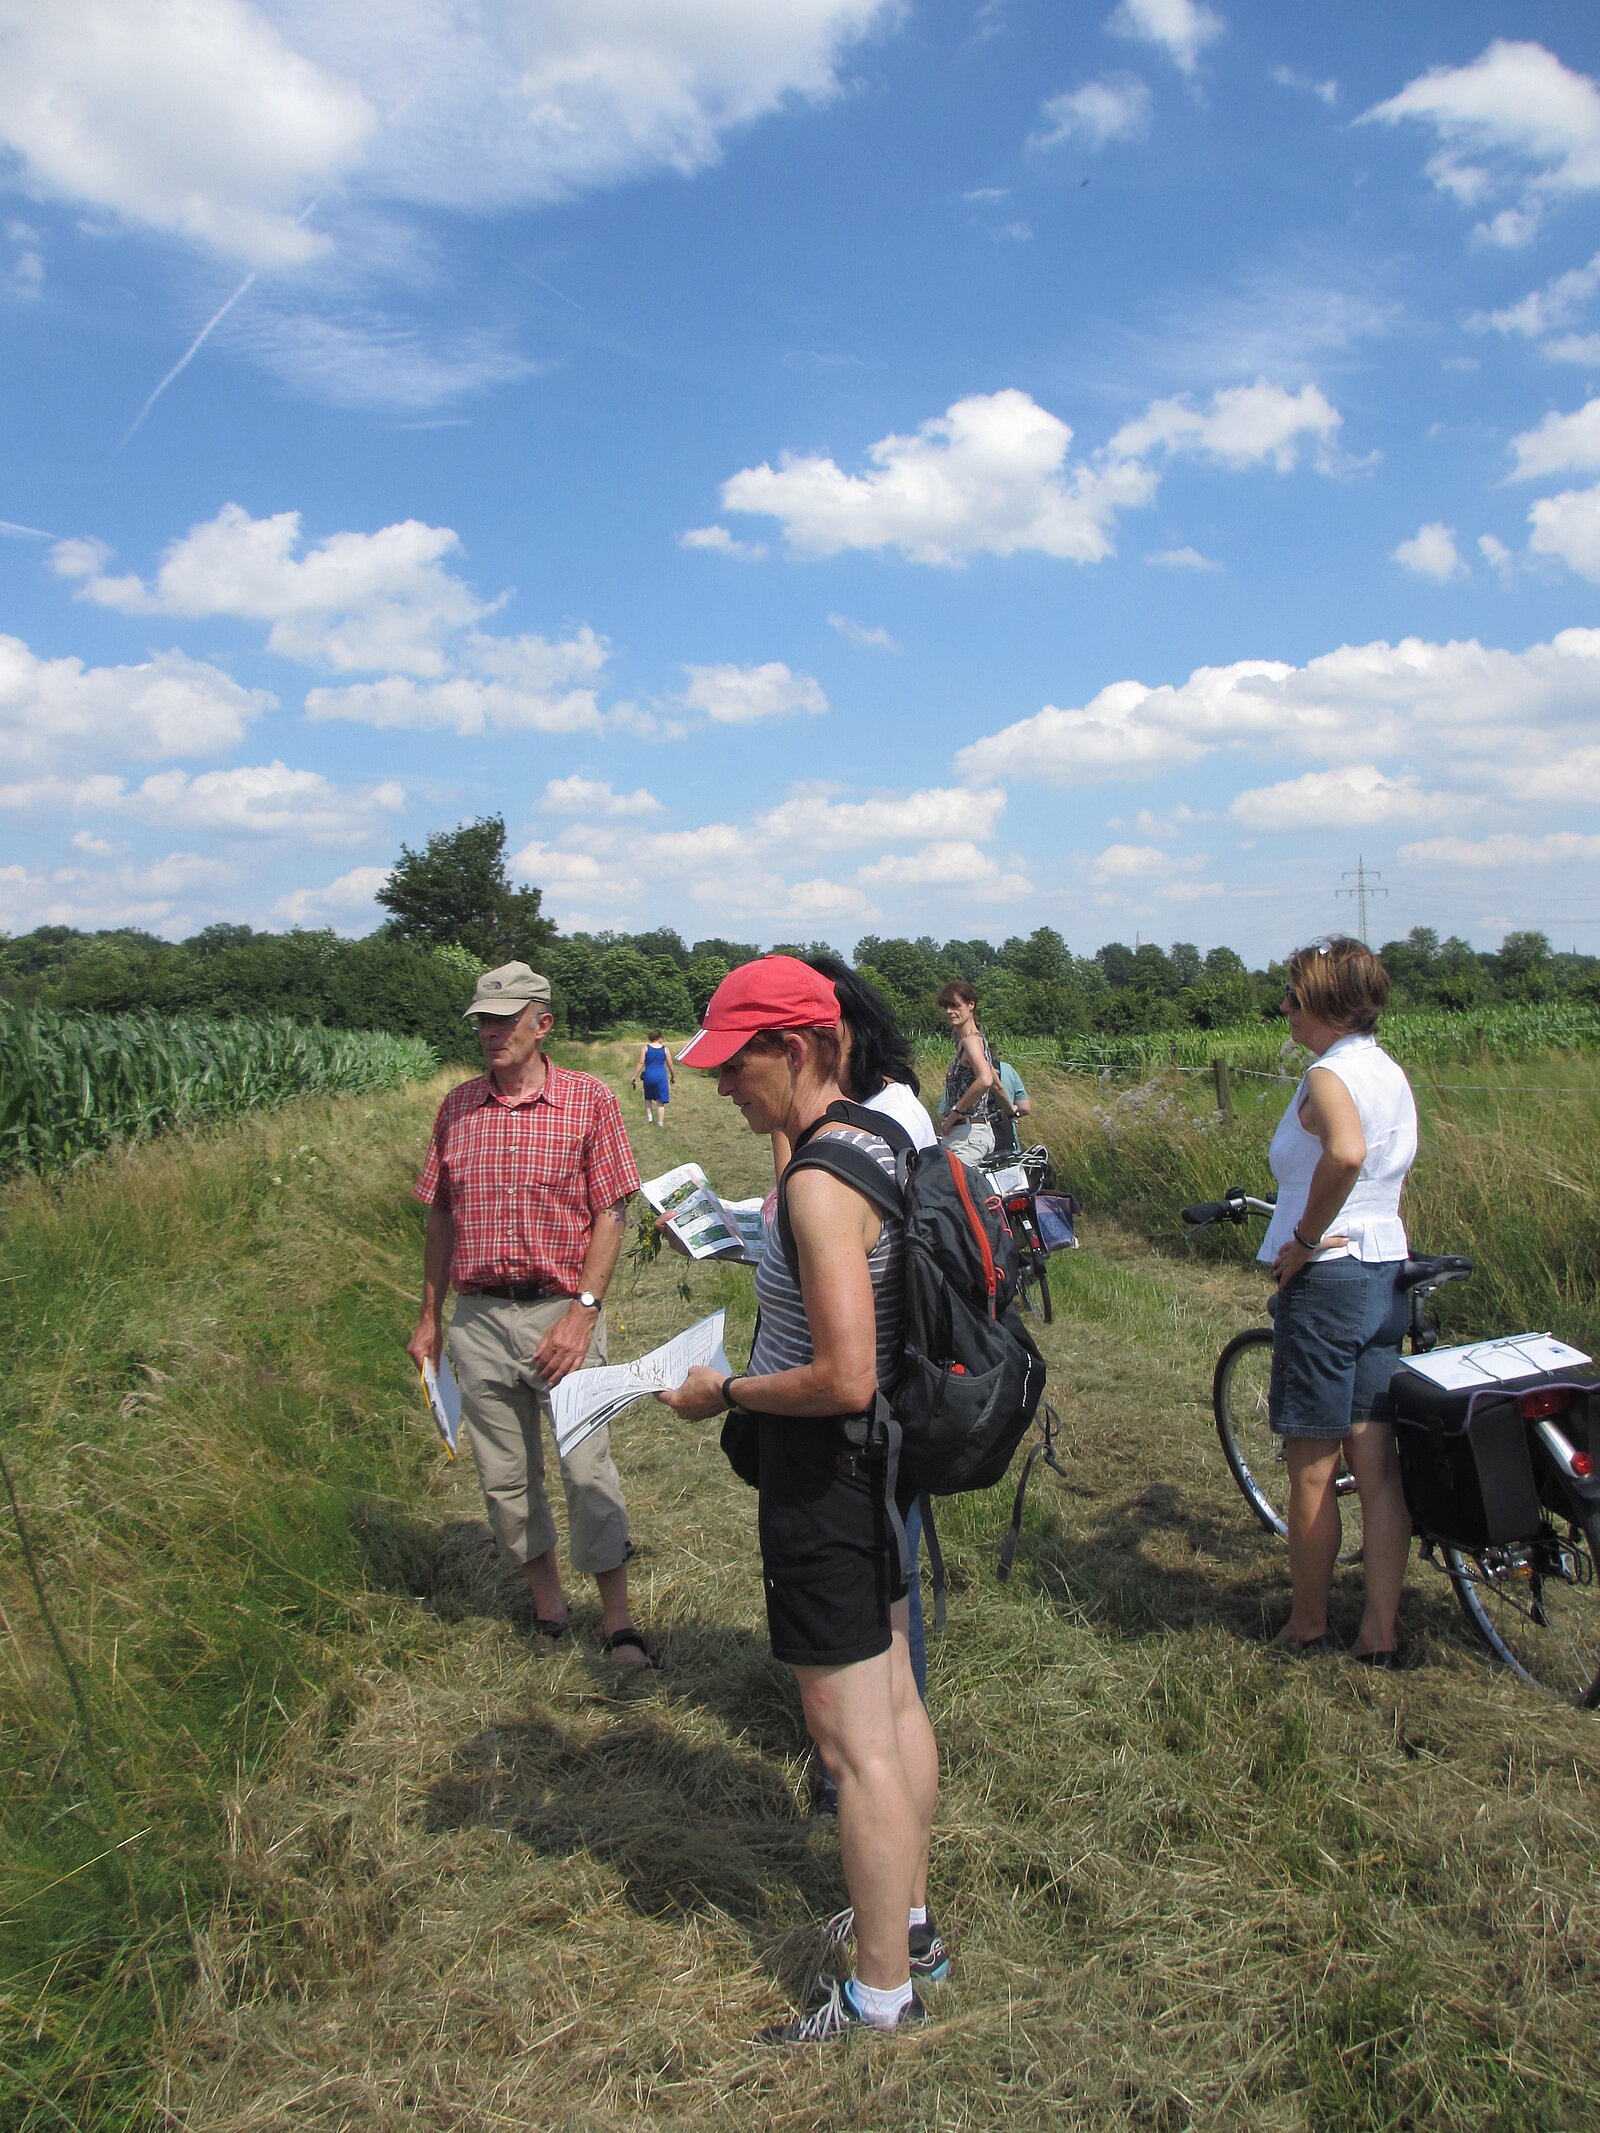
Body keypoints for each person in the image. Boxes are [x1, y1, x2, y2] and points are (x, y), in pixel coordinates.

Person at [659, 956, 941, 2042]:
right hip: (880, 1468)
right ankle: (906, 1926)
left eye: (736, 1065)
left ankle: (877, 1997)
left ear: (796, 1048)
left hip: (827, 1475)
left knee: (849, 1745)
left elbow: (844, 1376)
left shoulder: (821, 1184)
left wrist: (722, 1393)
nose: (721, 1085)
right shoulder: (872, 1138)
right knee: (896, 1709)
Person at [407, 962, 653, 1670]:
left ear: (542, 1024)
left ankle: (618, 1622)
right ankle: (549, 1608)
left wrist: (583, 1314)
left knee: (587, 1469)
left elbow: (611, 1210)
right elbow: (440, 1215)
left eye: (504, 1020)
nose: (491, 1033)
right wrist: (430, 1316)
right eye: (483, 1021)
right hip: (479, 1319)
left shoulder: (588, 1101)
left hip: (560, 1312)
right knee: (505, 1478)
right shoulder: (457, 1108)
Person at [1259, 936, 1418, 1668]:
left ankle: (1308, 1623)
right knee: (1376, 1465)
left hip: (1330, 1277)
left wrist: (1303, 1239)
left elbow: (1346, 1152)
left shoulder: (1329, 1076)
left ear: (1326, 1005)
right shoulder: (1386, 1070)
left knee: (1313, 1463)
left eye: (1294, 996)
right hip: (1385, 1270)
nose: (1284, 1007)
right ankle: (1379, 1632)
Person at [935, 979, 1001, 1167]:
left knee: (956, 1185)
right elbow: (995, 1081)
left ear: (971, 1005)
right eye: (946, 1007)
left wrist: (955, 1113)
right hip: (970, 1134)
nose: (949, 1011)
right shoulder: (972, 1041)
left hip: (966, 1136)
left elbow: (986, 1079)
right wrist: (1009, 1110)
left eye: (955, 1006)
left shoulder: (971, 1042)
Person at [630, 1029, 676, 1126]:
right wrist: (673, 1076)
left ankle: (650, 1118)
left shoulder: (645, 1048)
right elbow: (670, 1065)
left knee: (648, 1098)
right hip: (661, 1077)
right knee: (661, 1101)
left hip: (649, 1076)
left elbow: (641, 1063)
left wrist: (635, 1076)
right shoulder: (665, 1049)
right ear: (659, 1038)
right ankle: (660, 1123)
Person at [993, 1060, 1030, 1160]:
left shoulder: (963, 1069)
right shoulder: (1007, 1069)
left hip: (976, 1138)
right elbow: (1024, 1108)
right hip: (1007, 1136)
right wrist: (1011, 1112)